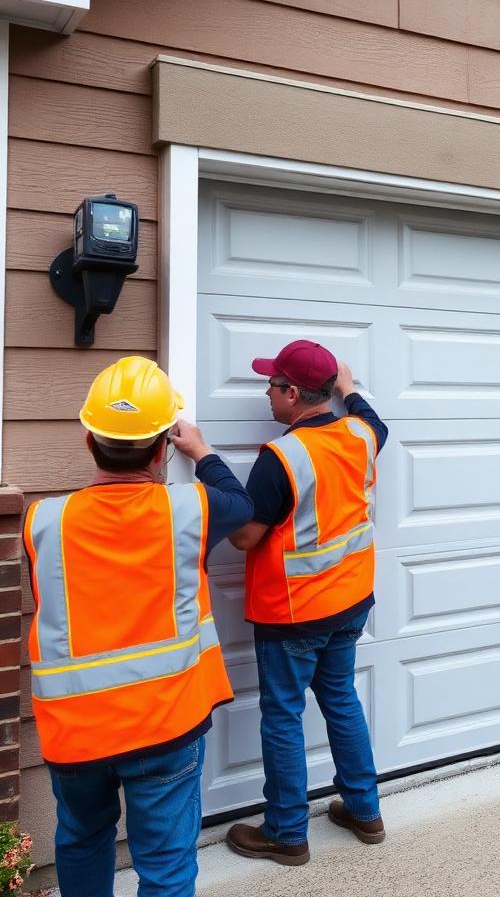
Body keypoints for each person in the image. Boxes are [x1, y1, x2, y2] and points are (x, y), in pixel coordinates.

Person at [23, 356, 253, 897]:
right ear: (160, 450)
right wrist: (202, 451)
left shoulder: (43, 520)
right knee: (166, 865)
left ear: (89, 440)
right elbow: (242, 505)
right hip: (164, 724)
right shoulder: (192, 509)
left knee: (82, 840)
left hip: (77, 730)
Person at [226, 340, 387, 866]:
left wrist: (207, 467)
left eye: (272, 385)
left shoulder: (282, 457)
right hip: (350, 602)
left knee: (282, 716)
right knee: (340, 698)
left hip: (295, 613)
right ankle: (364, 811)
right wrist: (348, 386)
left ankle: (287, 833)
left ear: (293, 394)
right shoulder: (361, 435)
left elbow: (245, 538)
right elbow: (373, 421)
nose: (267, 393)